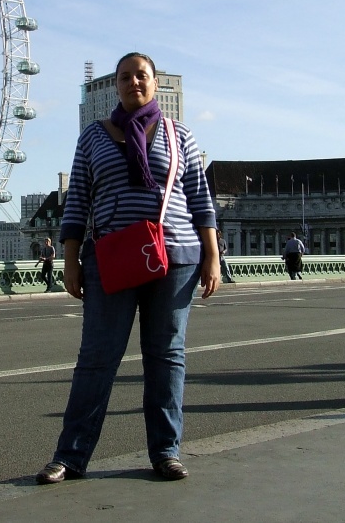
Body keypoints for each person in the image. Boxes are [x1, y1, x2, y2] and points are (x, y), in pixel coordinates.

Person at [35, 52, 220, 486]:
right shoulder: (94, 137)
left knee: (166, 357)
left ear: (156, 84)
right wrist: (71, 260)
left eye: (142, 76)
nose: (133, 82)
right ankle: (70, 456)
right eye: (125, 77)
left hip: (175, 256)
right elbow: (77, 200)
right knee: (97, 359)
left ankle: (166, 453)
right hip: (110, 256)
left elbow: (200, 201)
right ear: (115, 86)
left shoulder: (180, 136)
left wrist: (212, 256)